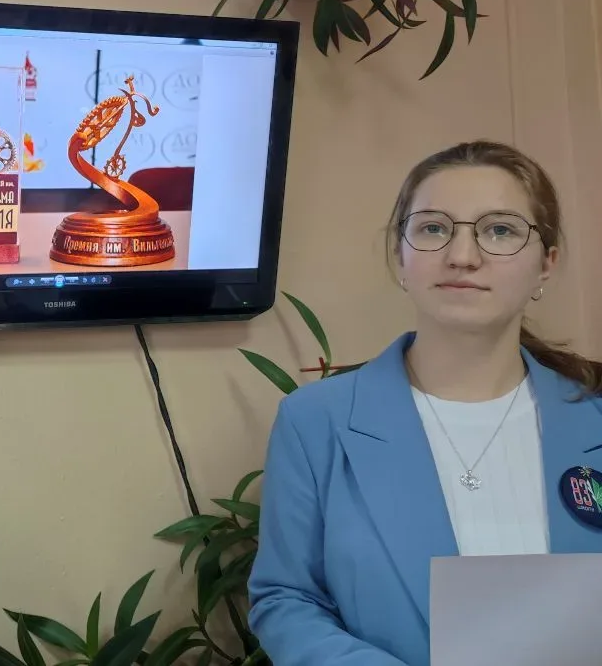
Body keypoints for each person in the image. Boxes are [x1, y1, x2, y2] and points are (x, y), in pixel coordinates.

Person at [248, 140, 602, 666]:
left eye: (500, 231)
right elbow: (286, 599)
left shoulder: (593, 416)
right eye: (434, 228)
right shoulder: (316, 421)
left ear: (545, 264)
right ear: (401, 255)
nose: (462, 256)